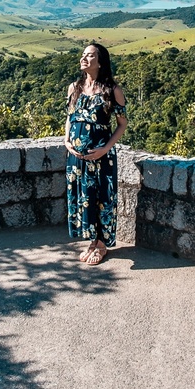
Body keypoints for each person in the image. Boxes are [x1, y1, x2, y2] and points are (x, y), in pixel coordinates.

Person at [64, 43, 127, 265]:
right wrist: (66, 140)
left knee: (101, 198)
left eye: (90, 56)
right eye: (83, 55)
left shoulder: (112, 90)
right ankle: (92, 240)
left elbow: (122, 123)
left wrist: (105, 148)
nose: (84, 58)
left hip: (101, 156)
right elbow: (70, 118)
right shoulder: (74, 88)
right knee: (84, 199)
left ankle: (101, 244)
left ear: (100, 62)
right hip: (76, 157)